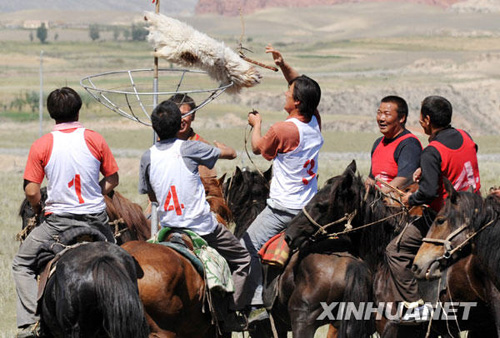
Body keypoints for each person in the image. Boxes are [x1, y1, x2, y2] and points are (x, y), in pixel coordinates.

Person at [12, 87, 119, 338]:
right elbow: (112, 179)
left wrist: (39, 208)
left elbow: (31, 191)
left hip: (59, 224)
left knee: (22, 264)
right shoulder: (95, 139)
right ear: (79, 109)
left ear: (51, 114)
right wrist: (95, 191)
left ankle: (31, 324)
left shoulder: (42, 144)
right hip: (97, 222)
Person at [138, 100, 250, 329]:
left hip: (167, 229)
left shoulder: (147, 156)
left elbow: (152, 197)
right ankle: (231, 313)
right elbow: (230, 154)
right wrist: (224, 147)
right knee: (243, 260)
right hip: (202, 228)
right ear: (180, 124)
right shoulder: (190, 148)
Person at [240, 44, 324, 323]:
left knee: (246, 246)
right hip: (310, 207)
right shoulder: (315, 120)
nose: (284, 93)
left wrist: (256, 124)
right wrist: (283, 64)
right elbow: (300, 84)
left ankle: (255, 304)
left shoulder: (282, 129)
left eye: (288, 93)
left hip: (283, 210)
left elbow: (257, 149)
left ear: (297, 102)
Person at [392, 95, 481, 322]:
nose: (420, 121)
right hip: (476, 210)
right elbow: (468, 154)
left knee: (396, 251)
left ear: (427, 120)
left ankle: (416, 306)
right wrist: (429, 170)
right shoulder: (465, 136)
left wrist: (411, 198)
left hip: (448, 218)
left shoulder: (432, 150)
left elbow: (429, 193)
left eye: (421, 117)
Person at [366, 96, 422, 192]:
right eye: (379, 113)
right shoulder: (378, 143)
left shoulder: (409, 144)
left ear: (401, 118)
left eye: (387, 114)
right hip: (376, 203)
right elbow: (372, 178)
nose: (381, 118)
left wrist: (378, 196)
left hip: (397, 203)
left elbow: (404, 180)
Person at [168, 93, 217, 178]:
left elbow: (209, 185)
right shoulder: (162, 143)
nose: (181, 119)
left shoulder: (201, 147)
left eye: (185, 115)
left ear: (193, 116)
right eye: (176, 115)